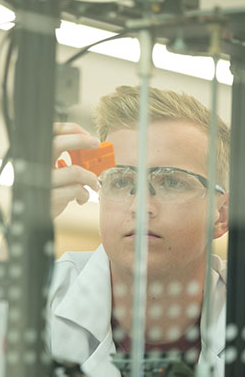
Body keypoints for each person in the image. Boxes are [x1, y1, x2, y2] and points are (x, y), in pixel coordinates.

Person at [47, 85, 235, 376]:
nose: (140, 207)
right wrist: (24, 223)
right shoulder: (43, 295)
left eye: (171, 182)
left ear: (220, 215)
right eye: (121, 180)